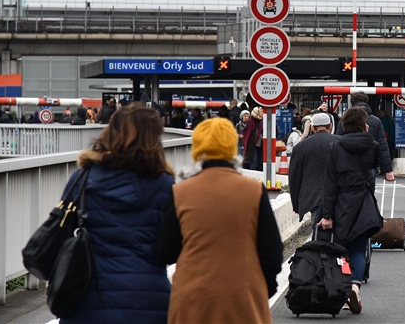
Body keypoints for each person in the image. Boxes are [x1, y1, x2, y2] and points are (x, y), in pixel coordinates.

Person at [154, 117, 283, 324]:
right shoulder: (253, 190)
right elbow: (272, 250)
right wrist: (264, 286)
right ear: (232, 146)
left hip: (192, 296)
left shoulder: (180, 192)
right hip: (243, 294)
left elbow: (166, 251)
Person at [58, 103, 175, 323]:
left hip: (87, 298)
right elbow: (171, 249)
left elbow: (61, 230)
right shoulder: (165, 184)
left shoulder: (83, 178)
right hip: (148, 301)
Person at [319, 107, 385, 315]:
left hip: (342, 201)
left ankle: (342, 288)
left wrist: (327, 214)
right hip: (363, 199)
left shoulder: (335, 146)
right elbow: (372, 174)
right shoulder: (373, 145)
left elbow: (330, 183)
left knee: (341, 249)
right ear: (363, 124)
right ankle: (355, 285)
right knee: (359, 247)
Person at [289, 112, 340, 223]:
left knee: (318, 234)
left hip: (313, 198)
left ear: (312, 128)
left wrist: (296, 205)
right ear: (330, 126)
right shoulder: (340, 142)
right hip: (339, 196)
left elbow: (294, 177)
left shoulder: (300, 147)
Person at [336, 92, 394, 185]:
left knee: (348, 192)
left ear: (352, 103)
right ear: (367, 102)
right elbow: (383, 146)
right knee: (369, 194)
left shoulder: (344, 120)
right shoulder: (376, 121)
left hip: (347, 164)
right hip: (369, 164)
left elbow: (337, 141)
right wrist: (388, 170)